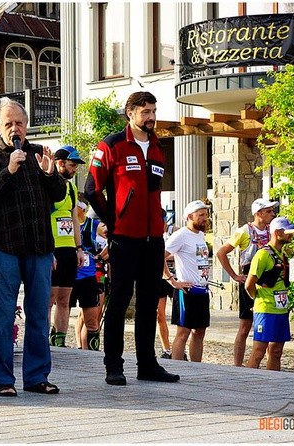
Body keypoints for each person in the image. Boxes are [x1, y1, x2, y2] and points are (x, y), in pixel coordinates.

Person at [0, 97, 66, 397]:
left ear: (27, 126)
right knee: (2, 315)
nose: (15, 129)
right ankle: (2, 379)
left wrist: (52, 174)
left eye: (20, 123)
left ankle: (37, 377)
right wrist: (8, 170)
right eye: (9, 123)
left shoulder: (38, 154)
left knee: (39, 314)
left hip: (39, 247)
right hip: (5, 247)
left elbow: (59, 195)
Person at [84, 91, 179, 385]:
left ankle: (147, 365)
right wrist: (113, 221)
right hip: (124, 238)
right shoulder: (112, 145)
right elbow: (91, 189)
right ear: (130, 113)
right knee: (120, 300)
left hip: (153, 238)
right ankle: (114, 365)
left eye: (153, 111)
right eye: (145, 112)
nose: (151, 117)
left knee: (150, 303)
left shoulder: (157, 146)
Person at [216, 198, 277, 366]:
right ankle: (237, 365)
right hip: (250, 278)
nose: (273, 214)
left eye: (273, 211)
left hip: (270, 281)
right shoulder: (244, 231)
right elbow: (221, 252)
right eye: (269, 211)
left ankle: (270, 362)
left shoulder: (273, 230)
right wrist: (234, 275)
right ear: (258, 214)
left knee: (269, 324)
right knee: (245, 326)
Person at [245, 216, 294, 371]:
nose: (291, 235)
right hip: (266, 310)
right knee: (259, 351)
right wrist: (258, 299)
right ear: (277, 232)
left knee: (276, 352)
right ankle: (247, 384)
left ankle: (273, 383)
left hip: (281, 310)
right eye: (288, 231)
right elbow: (249, 284)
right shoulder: (263, 255)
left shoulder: (283, 255)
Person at [163, 200, 211, 362]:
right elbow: (160, 257)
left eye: (206, 214)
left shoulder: (201, 235)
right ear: (190, 216)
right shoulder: (181, 235)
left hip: (202, 290)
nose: (205, 218)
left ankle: (196, 367)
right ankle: (178, 366)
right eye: (201, 215)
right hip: (186, 291)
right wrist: (172, 280)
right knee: (183, 332)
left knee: (200, 332)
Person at [48, 146, 86, 348]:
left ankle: (59, 340)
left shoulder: (71, 188)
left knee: (65, 299)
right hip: (51, 248)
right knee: (49, 298)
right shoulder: (47, 185)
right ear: (60, 163)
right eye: (72, 165)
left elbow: (74, 219)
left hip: (68, 248)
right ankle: (41, 341)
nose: (74, 170)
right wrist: (47, 250)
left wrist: (79, 248)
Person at [71, 202, 106, 350]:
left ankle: (92, 352)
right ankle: (58, 347)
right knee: (63, 310)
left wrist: (101, 257)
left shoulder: (93, 224)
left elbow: (112, 236)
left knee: (92, 319)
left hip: (88, 276)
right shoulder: (64, 220)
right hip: (68, 275)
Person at [158, 208, 177, 359]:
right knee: (160, 315)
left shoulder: (174, 232)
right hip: (159, 277)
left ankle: (179, 348)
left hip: (176, 276)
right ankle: (167, 349)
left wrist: (167, 256)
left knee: (179, 315)